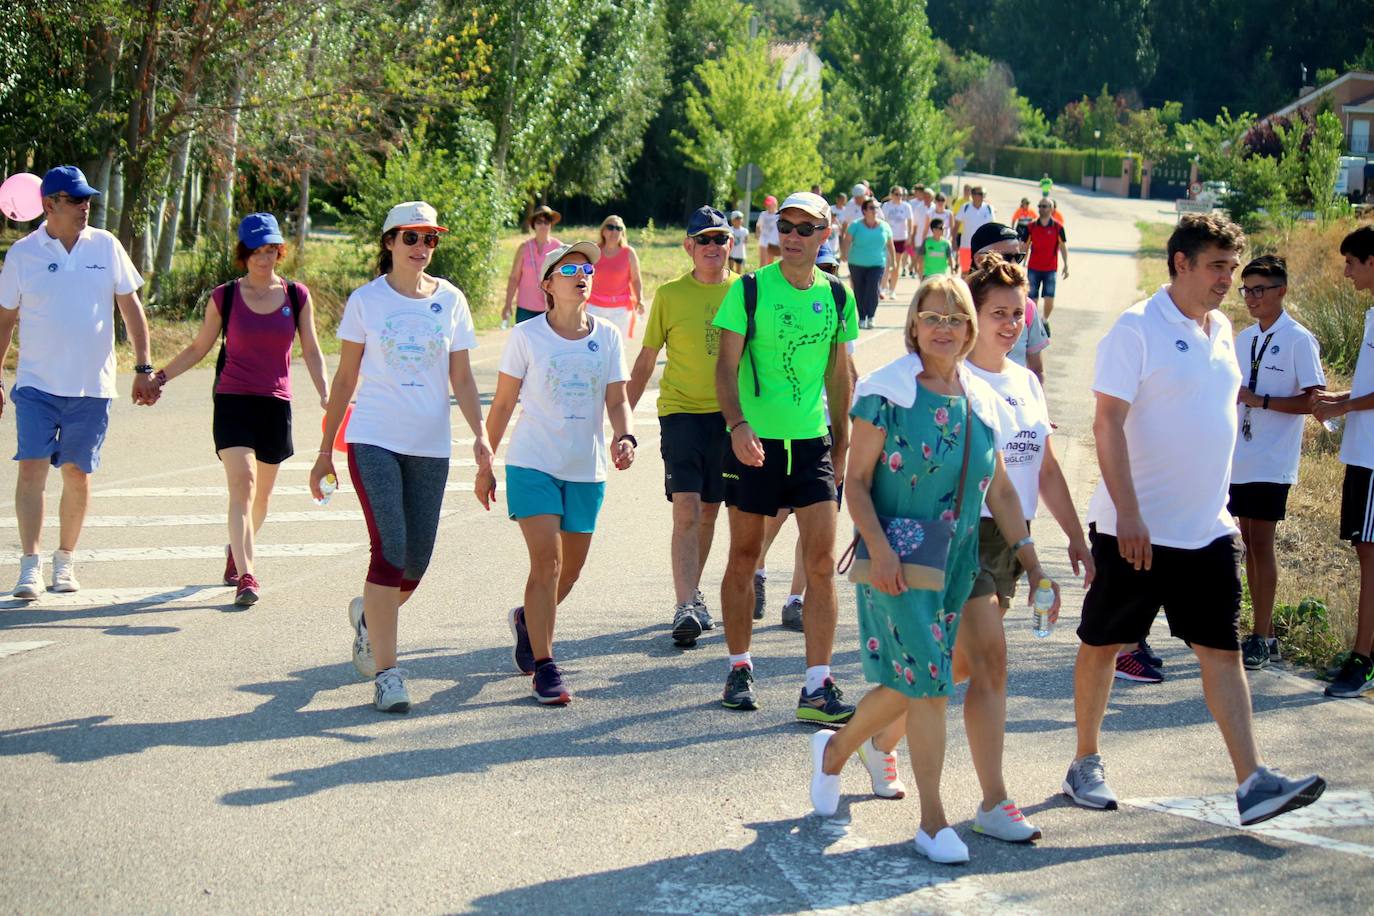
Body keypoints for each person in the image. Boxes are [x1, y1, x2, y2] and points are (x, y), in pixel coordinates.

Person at [1064, 213, 1325, 827]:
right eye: (1217, 267)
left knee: (1222, 651)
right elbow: (1106, 422)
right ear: (1180, 263)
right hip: (1137, 530)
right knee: (1103, 645)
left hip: (1206, 528)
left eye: (1233, 269)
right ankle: (1084, 761)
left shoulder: (1222, 328)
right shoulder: (1136, 328)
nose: (1228, 281)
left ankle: (1252, 781)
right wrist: (1127, 512)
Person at [808, 274, 1060, 865]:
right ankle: (931, 819)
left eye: (954, 319)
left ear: (969, 330)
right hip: (899, 559)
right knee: (928, 683)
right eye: (931, 317)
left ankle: (836, 750)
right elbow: (859, 481)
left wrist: (1034, 564)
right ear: (913, 325)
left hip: (962, 561)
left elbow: (999, 490)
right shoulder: (886, 391)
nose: (943, 328)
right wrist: (881, 548)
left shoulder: (981, 398)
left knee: (934, 674)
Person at [310, 201, 488, 713]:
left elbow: (462, 377)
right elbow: (345, 379)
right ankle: (388, 673)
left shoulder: (451, 300)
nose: (421, 247)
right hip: (374, 439)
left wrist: (481, 438)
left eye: (430, 238)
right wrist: (325, 451)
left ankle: (370, 617)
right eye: (411, 237)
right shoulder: (366, 301)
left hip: (430, 445)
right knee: (388, 548)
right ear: (389, 242)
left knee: (416, 561)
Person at [952, 254, 1093, 844]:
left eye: (1018, 313)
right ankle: (994, 800)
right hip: (965, 536)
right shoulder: (954, 378)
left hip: (1018, 536)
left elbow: (1047, 467)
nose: (1011, 324)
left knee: (952, 667)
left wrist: (1077, 540)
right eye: (998, 313)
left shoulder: (1026, 380)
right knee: (991, 665)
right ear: (972, 316)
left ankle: (867, 740)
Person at [713, 191, 858, 720]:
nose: (793, 237)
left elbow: (839, 376)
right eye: (786, 227)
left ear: (824, 235)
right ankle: (738, 667)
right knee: (745, 558)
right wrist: (738, 425)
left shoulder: (838, 297)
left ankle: (817, 687)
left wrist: (841, 444)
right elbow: (725, 370)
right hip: (755, 445)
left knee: (821, 565)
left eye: (805, 228)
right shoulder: (749, 291)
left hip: (812, 445)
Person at [479, 241, 635, 705]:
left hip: (586, 467)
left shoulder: (607, 336)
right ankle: (546, 666)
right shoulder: (527, 336)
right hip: (533, 463)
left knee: (569, 571)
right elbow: (504, 403)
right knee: (546, 561)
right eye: (568, 268)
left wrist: (626, 435)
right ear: (548, 284)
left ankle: (528, 620)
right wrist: (486, 461)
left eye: (587, 268)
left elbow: (617, 399)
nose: (581, 274)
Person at [153, 213, 330, 606]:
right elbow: (199, 348)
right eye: (257, 251)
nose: (264, 259)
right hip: (233, 400)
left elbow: (313, 350)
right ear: (244, 253)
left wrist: (325, 391)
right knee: (243, 482)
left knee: (262, 496)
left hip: (275, 403)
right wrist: (160, 377)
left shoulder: (296, 295)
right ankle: (247, 575)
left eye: (271, 250)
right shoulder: (225, 296)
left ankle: (237, 549)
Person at [0, 165, 159, 599]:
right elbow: (5, 321)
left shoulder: (105, 245)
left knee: (76, 473)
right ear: (49, 205)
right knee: (31, 468)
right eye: (75, 200)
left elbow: (130, 307)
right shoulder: (22, 255)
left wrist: (143, 367)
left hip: (91, 386)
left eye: (87, 198)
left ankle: (64, 561)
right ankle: (30, 566)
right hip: (36, 384)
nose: (85, 206)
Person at [626, 208, 735, 648]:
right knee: (687, 506)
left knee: (710, 509)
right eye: (703, 239)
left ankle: (695, 592)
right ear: (688, 246)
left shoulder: (745, 291)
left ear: (730, 244)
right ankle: (685, 604)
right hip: (681, 413)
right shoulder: (670, 295)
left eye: (720, 239)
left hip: (730, 418)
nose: (712, 246)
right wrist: (620, 423)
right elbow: (646, 360)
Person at [753, 241, 858, 630]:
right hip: (789, 429)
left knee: (816, 525)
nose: (826, 273)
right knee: (776, 516)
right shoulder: (781, 301)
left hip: (827, 434)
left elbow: (844, 369)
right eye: (823, 265)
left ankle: (796, 599)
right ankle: (756, 571)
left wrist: (847, 439)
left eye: (832, 266)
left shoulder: (837, 304)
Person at [1228, 256, 1325, 671]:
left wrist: (1261, 400)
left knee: (1262, 545)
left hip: (1272, 459)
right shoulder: (1244, 338)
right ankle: (1261, 633)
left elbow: (1314, 400)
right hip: (1239, 456)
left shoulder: (1299, 339)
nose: (1251, 298)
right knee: (1243, 543)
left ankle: (1262, 636)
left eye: (1259, 290)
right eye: (1246, 290)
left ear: (1281, 291)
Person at [1314, 225, 1374, 698]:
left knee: (1371, 556)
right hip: (1362, 454)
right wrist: (1342, 398)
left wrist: (1343, 406)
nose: (1347, 273)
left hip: (1373, 459)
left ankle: (1364, 659)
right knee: (1364, 552)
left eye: (1352, 263)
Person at [969, 223, 1048, 384]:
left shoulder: (1028, 307)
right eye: (1005, 257)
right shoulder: (957, 303)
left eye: (1018, 257)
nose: (1013, 264)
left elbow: (1037, 370)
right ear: (979, 259)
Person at [502, 204, 563, 325]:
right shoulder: (524, 248)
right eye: (539, 222)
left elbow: (564, 279)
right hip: (525, 308)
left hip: (551, 308)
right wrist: (508, 304)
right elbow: (514, 278)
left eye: (547, 222)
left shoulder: (559, 248)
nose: (543, 225)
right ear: (533, 225)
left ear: (551, 224)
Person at [586, 215, 644, 340]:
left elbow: (635, 279)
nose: (614, 231)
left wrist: (639, 299)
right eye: (610, 227)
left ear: (622, 232)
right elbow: (584, 277)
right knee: (593, 346)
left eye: (618, 228)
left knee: (617, 347)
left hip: (620, 310)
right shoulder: (594, 251)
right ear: (603, 231)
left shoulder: (629, 253)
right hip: (594, 308)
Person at [846, 197, 897, 330]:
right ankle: (862, 317)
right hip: (856, 263)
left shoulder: (884, 226)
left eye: (876, 208)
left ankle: (871, 316)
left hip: (877, 263)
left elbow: (890, 244)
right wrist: (843, 255)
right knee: (860, 290)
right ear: (864, 211)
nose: (875, 210)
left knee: (873, 288)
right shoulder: (855, 225)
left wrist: (894, 260)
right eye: (871, 208)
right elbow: (847, 241)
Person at [1024, 199, 1070, 319]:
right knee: (1032, 298)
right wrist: (1019, 262)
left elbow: (1063, 246)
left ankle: (1044, 320)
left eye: (1044, 206)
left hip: (1050, 268)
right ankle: (1034, 323)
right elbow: (1025, 246)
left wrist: (1066, 265)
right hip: (1033, 267)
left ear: (1051, 208)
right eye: (1040, 206)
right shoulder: (1031, 226)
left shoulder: (1058, 227)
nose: (1041, 208)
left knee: (1049, 297)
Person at [881, 186, 914, 299]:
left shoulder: (906, 206)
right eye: (896, 194)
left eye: (900, 194)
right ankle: (883, 288)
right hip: (889, 238)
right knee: (886, 264)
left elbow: (910, 222)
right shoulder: (886, 206)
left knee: (896, 264)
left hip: (901, 238)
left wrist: (910, 236)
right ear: (891, 194)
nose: (899, 197)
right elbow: (882, 221)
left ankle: (892, 290)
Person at [955, 186, 995, 276]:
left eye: (983, 194)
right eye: (980, 194)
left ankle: (975, 290)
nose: (982, 196)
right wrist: (954, 240)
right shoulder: (965, 207)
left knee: (980, 272)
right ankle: (964, 290)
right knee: (965, 272)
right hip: (966, 246)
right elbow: (956, 225)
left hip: (982, 248)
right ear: (973, 195)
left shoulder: (989, 208)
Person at [907, 184, 931, 279]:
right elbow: (913, 223)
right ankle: (914, 268)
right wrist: (912, 236)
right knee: (916, 256)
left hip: (930, 237)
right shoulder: (914, 204)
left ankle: (916, 270)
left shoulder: (933, 207)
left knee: (926, 260)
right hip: (918, 237)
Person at [756, 196, 781, 267]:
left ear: (775, 204)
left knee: (770, 262)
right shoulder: (763, 214)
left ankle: (768, 277)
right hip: (763, 239)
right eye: (767, 205)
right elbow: (758, 225)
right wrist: (758, 233)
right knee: (762, 261)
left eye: (770, 204)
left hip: (773, 241)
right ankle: (760, 277)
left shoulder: (778, 215)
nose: (768, 206)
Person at [727, 210, 748, 274]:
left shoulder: (745, 231)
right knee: (731, 270)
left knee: (739, 272)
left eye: (740, 219)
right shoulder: (729, 230)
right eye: (737, 219)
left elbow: (746, 241)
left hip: (740, 253)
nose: (739, 221)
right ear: (732, 220)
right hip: (731, 253)